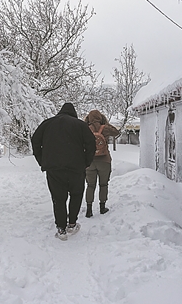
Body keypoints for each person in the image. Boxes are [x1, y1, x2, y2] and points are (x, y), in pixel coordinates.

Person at [31, 103, 96, 241]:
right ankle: (72, 224)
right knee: (76, 195)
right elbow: (91, 143)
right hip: (76, 168)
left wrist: (42, 160)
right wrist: (86, 162)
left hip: (54, 169)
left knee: (58, 198)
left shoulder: (47, 124)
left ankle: (61, 229)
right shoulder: (80, 125)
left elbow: (35, 140)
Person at [83, 109, 120, 217]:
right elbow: (116, 132)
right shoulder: (105, 128)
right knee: (103, 184)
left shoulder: (85, 128)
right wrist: (105, 124)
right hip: (104, 161)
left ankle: (89, 209)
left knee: (90, 185)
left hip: (89, 161)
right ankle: (102, 207)